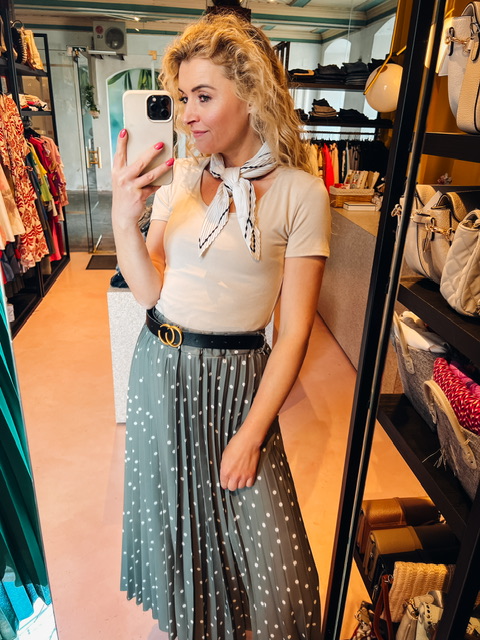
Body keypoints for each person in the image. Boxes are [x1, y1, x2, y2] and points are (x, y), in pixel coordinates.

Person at [112, 12, 331, 640]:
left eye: (203, 97)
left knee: (282, 575)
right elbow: (149, 290)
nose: (188, 115)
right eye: (183, 99)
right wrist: (125, 218)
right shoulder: (181, 178)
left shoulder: (301, 193)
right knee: (183, 526)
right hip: (161, 368)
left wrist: (252, 434)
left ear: (252, 93)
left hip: (240, 383)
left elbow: (294, 333)